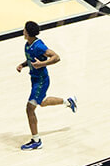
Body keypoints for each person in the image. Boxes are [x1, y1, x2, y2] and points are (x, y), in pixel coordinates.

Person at [16, 20, 76, 151]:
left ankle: (36, 140)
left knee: (29, 108)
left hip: (41, 80)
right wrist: (23, 65)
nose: (23, 31)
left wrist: (42, 64)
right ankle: (68, 101)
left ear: (28, 32)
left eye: (24, 29)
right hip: (34, 79)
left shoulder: (39, 46)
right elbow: (31, 59)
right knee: (41, 102)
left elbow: (56, 57)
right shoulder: (28, 45)